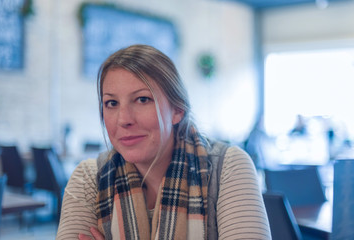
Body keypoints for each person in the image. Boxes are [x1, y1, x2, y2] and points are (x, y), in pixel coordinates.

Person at [56, 44, 271, 240]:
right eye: (111, 103)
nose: (124, 119)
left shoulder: (228, 168)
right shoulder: (89, 179)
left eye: (142, 99)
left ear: (177, 110)